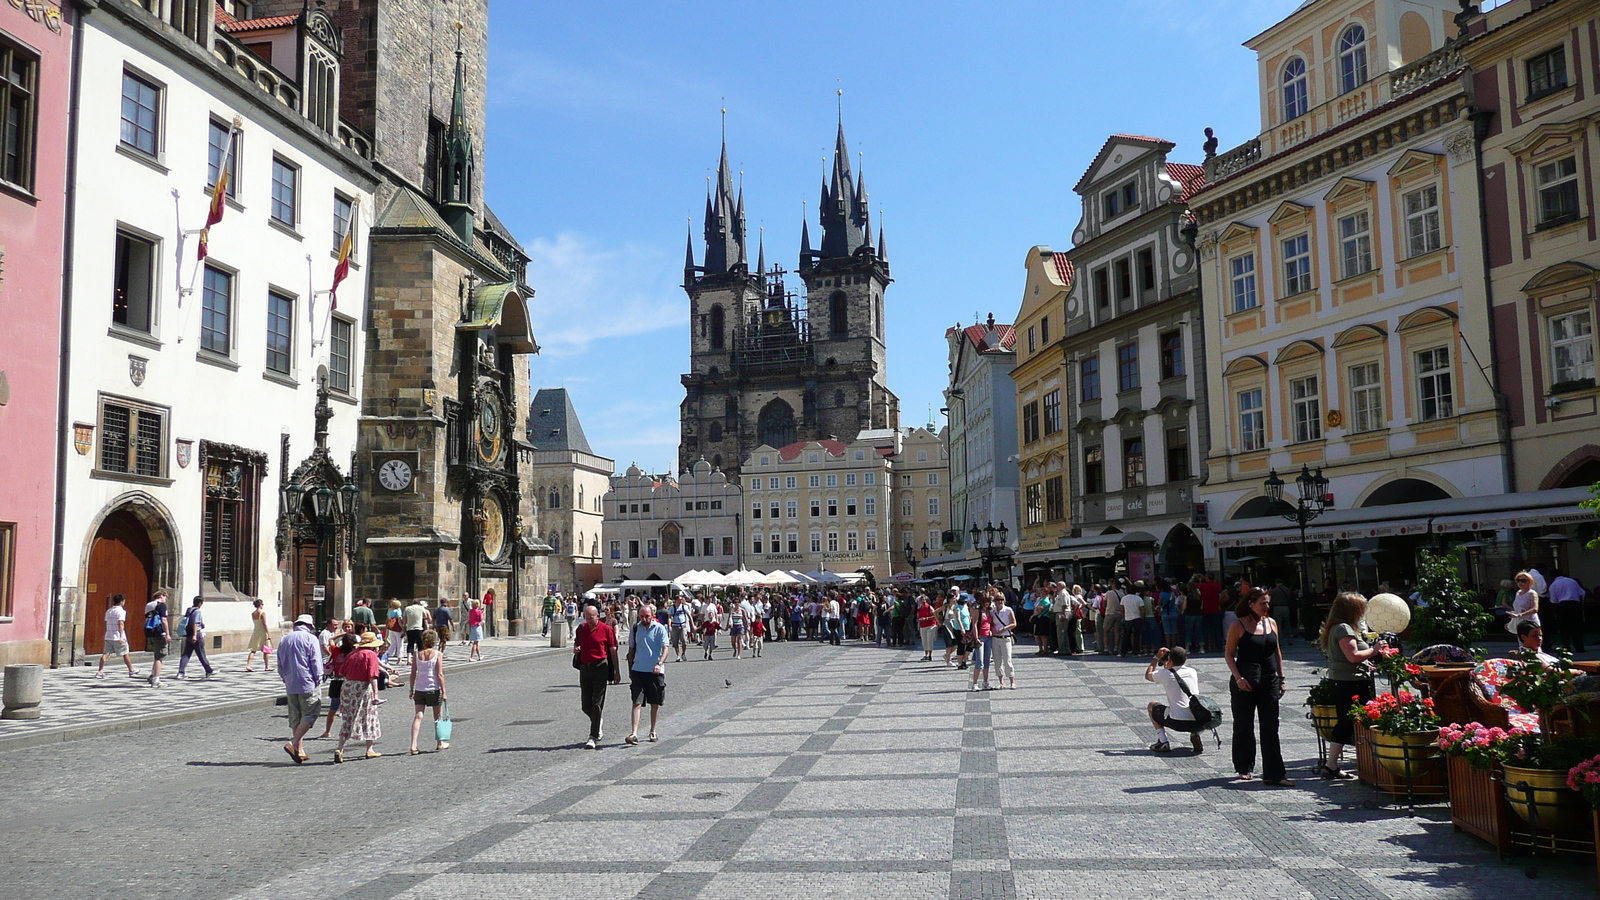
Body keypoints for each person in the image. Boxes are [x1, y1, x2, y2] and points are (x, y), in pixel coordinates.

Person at [1226, 588, 1291, 786]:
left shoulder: (1271, 623)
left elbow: (1277, 652)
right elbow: (1229, 655)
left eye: (1268, 602)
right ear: (1250, 603)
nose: (1267, 606)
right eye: (1263, 603)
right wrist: (1238, 678)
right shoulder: (1238, 625)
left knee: (1271, 726)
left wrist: (1281, 678)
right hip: (1245, 681)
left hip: (1269, 679)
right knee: (1244, 725)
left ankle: (1274, 773)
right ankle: (1244, 766)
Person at [1318, 592, 1382, 780]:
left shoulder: (1337, 627)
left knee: (1350, 721)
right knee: (1348, 722)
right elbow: (1352, 656)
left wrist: (1365, 662)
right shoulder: (1344, 628)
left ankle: (1341, 763)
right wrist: (1374, 650)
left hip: (1345, 679)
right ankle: (1332, 765)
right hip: (1349, 682)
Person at [276, 614, 324, 764]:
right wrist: (319, 678)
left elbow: (280, 662)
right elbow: (315, 660)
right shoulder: (311, 639)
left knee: (296, 716)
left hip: (290, 683)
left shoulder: (284, 639)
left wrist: (285, 677)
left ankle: (299, 750)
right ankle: (294, 742)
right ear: (309, 626)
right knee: (311, 713)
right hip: (307, 681)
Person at [332, 631, 384, 762]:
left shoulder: (352, 654)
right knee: (368, 716)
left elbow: (342, 671)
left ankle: (340, 748)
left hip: (348, 686)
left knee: (348, 717)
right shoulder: (370, 655)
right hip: (363, 687)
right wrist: (376, 694)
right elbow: (372, 676)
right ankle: (369, 749)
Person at [573, 605, 618, 749]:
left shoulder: (606, 629)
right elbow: (577, 643)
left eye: (591, 618)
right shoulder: (581, 629)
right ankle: (597, 721)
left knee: (597, 703)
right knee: (585, 705)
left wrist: (616, 671)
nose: (589, 621)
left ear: (597, 616)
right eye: (586, 618)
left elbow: (612, 650)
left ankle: (593, 736)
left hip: (601, 667)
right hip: (585, 667)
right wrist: (577, 648)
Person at [1145, 646, 1204, 754]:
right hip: (1198, 721)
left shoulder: (1166, 674)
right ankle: (1195, 733)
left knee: (1151, 706)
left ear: (1170, 660)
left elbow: (1148, 675)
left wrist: (1156, 658)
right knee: (1192, 708)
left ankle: (1163, 741)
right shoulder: (1192, 671)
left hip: (1177, 722)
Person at [626, 603, 669, 744]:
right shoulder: (635, 628)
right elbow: (631, 649)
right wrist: (630, 669)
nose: (644, 619)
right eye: (642, 616)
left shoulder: (660, 628)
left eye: (647, 616)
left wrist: (659, 663)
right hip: (638, 670)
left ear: (652, 616)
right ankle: (634, 733)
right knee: (636, 702)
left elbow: (666, 649)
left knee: (654, 702)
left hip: (655, 671)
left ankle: (652, 731)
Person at [408, 628, 449, 754]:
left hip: (420, 689)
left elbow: (413, 673)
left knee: (418, 716)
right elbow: (439, 674)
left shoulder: (416, 654)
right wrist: (444, 691)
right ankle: (440, 742)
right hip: (433, 688)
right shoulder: (438, 654)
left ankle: (413, 745)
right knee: (437, 717)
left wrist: (411, 689)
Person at [95, 594, 139, 678]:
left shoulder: (109, 611)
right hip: (118, 636)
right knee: (125, 653)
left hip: (109, 635)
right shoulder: (121, 611)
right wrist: (121, 636)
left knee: (106, 653)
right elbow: (121, 623)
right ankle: (131, 670)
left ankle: (100, 671)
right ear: (122, 601)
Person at [177, 596, 215, 679]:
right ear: (200, 603)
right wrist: (195, 635)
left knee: (186, 654)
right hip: (196, 634)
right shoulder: (197, 611)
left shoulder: (189, 610)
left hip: (188, 634)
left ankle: (180, 672)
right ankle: (209, 671)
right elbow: (195, 623)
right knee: (201, 654)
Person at [1547, 570, 1585, 652]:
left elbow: (1553, 601)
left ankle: (1566, 646)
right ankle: (1579, 647)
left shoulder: (1553, 585)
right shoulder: (1571, 581)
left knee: (1564, 628)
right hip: (1575, 604)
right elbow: (1581, 593)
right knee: (1577, 627)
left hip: (1562, 606)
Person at [144, 589, 172, 688]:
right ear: (161, 596)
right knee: (159, 656)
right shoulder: (161, 605)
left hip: (149, 632)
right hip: (159, 632)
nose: (165, 600)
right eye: (165, 597)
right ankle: (156, 680)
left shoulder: (148, 605)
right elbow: (164, 620)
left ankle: (152, 675)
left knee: (156, 654)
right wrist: (168, 634)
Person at [990, 592, 1019, 690]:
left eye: (1002, 600)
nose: (1000, 602)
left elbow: (1014, 623)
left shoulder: (1008, 610)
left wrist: (1004, 628)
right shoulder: (992, 611)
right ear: (995, 601)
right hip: (995, 638)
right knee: (997, 661)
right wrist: (992, 629)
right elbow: (990, 623)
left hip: (1005, 638)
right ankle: (1001, 682)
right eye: (998, 600)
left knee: (1007, 660)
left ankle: (1012, 681)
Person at [245, 598, 272, 672]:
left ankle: (248, 665)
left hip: (256, 632)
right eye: (262, 604)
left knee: (253, 650)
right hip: (262, 632)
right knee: (266, 650)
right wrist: (268, 633)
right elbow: (264, 624)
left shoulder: (253, 614)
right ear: (260, 605)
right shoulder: (262, 613)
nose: (263, 605)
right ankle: (267, 666)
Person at [916, 593, 939, 662]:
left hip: (930, 625)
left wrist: (926, 618)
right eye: (921, 600)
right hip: (923, 626)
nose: (923, 601)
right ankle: (926, 654)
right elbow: (917, 617)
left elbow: (934, 615)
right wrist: (919, 619)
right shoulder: (920, 609)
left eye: (924, 600)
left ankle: (929, 655)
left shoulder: (929, 607)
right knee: (924, 641)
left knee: (929, 640)